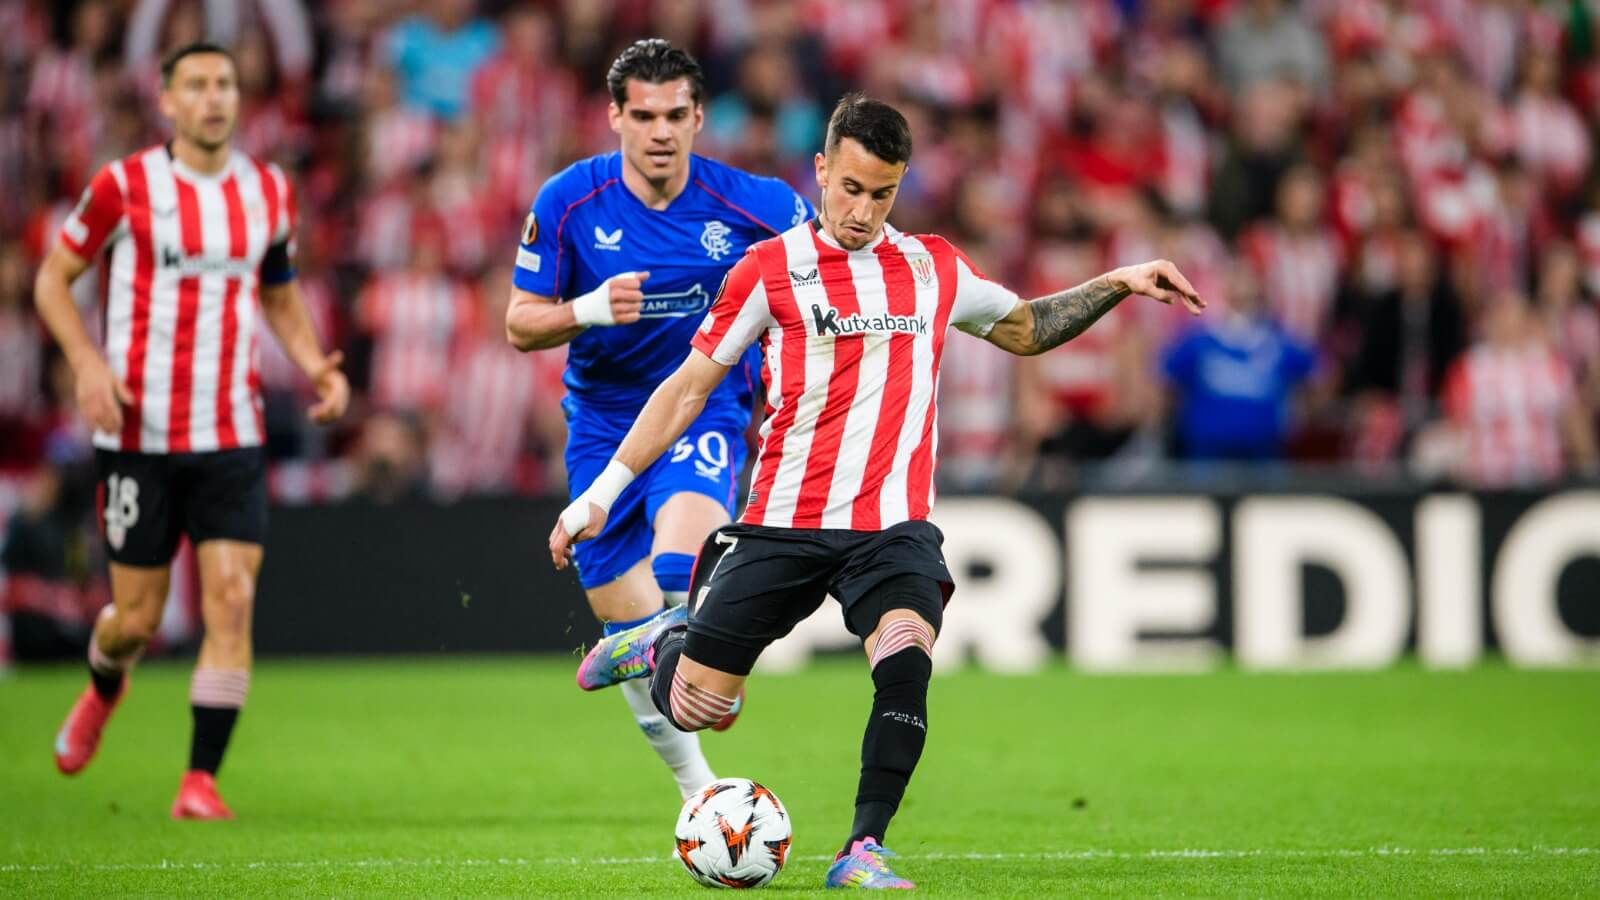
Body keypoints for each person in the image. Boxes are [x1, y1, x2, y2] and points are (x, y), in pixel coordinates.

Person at [548, 94, 1203, 889]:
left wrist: (1120, 282)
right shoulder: (768, 270)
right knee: (699, 708)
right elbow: (687, 389)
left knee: (906, 656)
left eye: (881, 193)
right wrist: (602, 494)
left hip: (891, 527)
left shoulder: (932, 268)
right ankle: (665, 640)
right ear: (821, 171)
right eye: (850, 188)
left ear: (901, 187)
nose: (861, 210)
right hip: (782, 524)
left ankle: (862, 848)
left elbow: (1027, 328)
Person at [32, 42, 349, 819]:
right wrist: (85, 365)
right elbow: (51, 279)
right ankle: (106, 681)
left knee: (232, 599)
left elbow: (277, 290)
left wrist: (315, 365)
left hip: (230, 434)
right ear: (166, 101)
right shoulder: (124, 186)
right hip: (137, 435)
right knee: (134, 621)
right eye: (197, 86)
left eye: (226, 85)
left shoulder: (268, 191)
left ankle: (199, 780)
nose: (215, 98)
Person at [504, 39, 812, 800]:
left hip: (702, 407)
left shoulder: (756, 205)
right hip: (602, 423)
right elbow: (518, 323)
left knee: (678, 567)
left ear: (701, 117)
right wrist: (586, 308)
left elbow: (830, 269)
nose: (661, 132)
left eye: (676, 115)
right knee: (633, 626)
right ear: (615, 117)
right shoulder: (568, 203)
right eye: (643, 116)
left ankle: (690, 650)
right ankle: (699, 791)